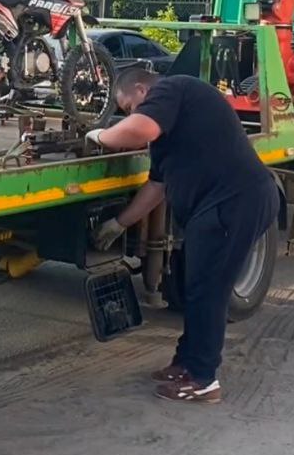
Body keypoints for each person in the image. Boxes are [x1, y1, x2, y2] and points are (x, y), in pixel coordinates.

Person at [87, 66, 279, 404]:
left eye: (128, 107)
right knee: (197, 286)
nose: (129, 115)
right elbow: (157, 187)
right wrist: (120, 223)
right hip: (224, 205)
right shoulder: (171, 130)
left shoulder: (173, 88)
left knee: (209, 290)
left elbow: (140, 129)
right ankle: (186, 363)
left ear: (143, 91)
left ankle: (203, 380)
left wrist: (101, 135)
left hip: (234, 202)